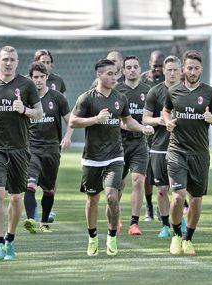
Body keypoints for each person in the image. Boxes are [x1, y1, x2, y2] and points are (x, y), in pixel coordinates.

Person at [69, 59, 153, 257]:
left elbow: (128, 121)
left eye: (115, 73)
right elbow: (73, 121)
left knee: (111, 196)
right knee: (92, 199)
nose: (114, 77)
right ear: (99, 75)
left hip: (115, 155)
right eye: (109, 74)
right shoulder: (86, 98)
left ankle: (112, 236)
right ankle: (92, 237)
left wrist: (143, 128)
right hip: (92, 158)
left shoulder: (119, 98)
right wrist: (95, 119)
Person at [0, 46, 43, 261]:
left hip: (20, 148)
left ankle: (11, 239)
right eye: (5, 59)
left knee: (15, 198)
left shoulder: (26, 85)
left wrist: (24, 110)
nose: (8, 63)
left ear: (17, 62)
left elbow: (39, 113)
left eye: (12, 59)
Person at [163, 50, 212, 255]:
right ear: (183, 69)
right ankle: (176, 236)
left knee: (196, 200)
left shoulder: (209, 92)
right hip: (176, 151)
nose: (193, 71)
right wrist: (167, 121)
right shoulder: (174, 91)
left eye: (196, 68)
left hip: (200, 153)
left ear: (201, 70)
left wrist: (210, 119)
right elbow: (165, 110)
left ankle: (188, 239)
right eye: (189, 68)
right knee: (178, 197)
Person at [22, 62, 73, 234]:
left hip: (52, 149)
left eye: (42, 77)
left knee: (49, 189)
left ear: (46, 78)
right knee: (30, 184)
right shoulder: (24, 98)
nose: (38, 80)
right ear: (30, 78)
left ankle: (44, 222)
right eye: (35, 77)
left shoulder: (57, 97)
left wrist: (67, 136)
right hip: (32, 148)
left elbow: (70, 120)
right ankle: (30, 220)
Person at [142, 55, 182, 237]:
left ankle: (178, 223)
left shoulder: (187, 92)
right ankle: (165, 225)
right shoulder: (155, 92)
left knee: (179, 191)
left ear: (180, 71)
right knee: (162, 190)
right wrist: (160, 120)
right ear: (164, 71)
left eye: (175, 70)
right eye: (169, 70)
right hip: (159, 147)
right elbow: (145, 119)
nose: (172, 73)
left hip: (182, 147)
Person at [114, 56, 151, 235]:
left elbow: (154, 114)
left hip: (139, 143)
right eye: (128, 67)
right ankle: (116, 216)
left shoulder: (148, 90)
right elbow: (110, 115)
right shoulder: (116, 90)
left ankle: (134, 223)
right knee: (118, 185)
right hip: (119, 143)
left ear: (140, 68)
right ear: (123, 71)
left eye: (135, 66)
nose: (132, 70)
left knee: (138, 181)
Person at [141, 50, 165, 220]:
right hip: (146, 131)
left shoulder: (169, 80)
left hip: (164, 132)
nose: (157, 69)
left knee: (166, 172)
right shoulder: (142, 80)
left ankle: (161, 205)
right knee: (146, 174)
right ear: (149, 64)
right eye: (155, 65)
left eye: (160, 66)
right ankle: (148, 206)